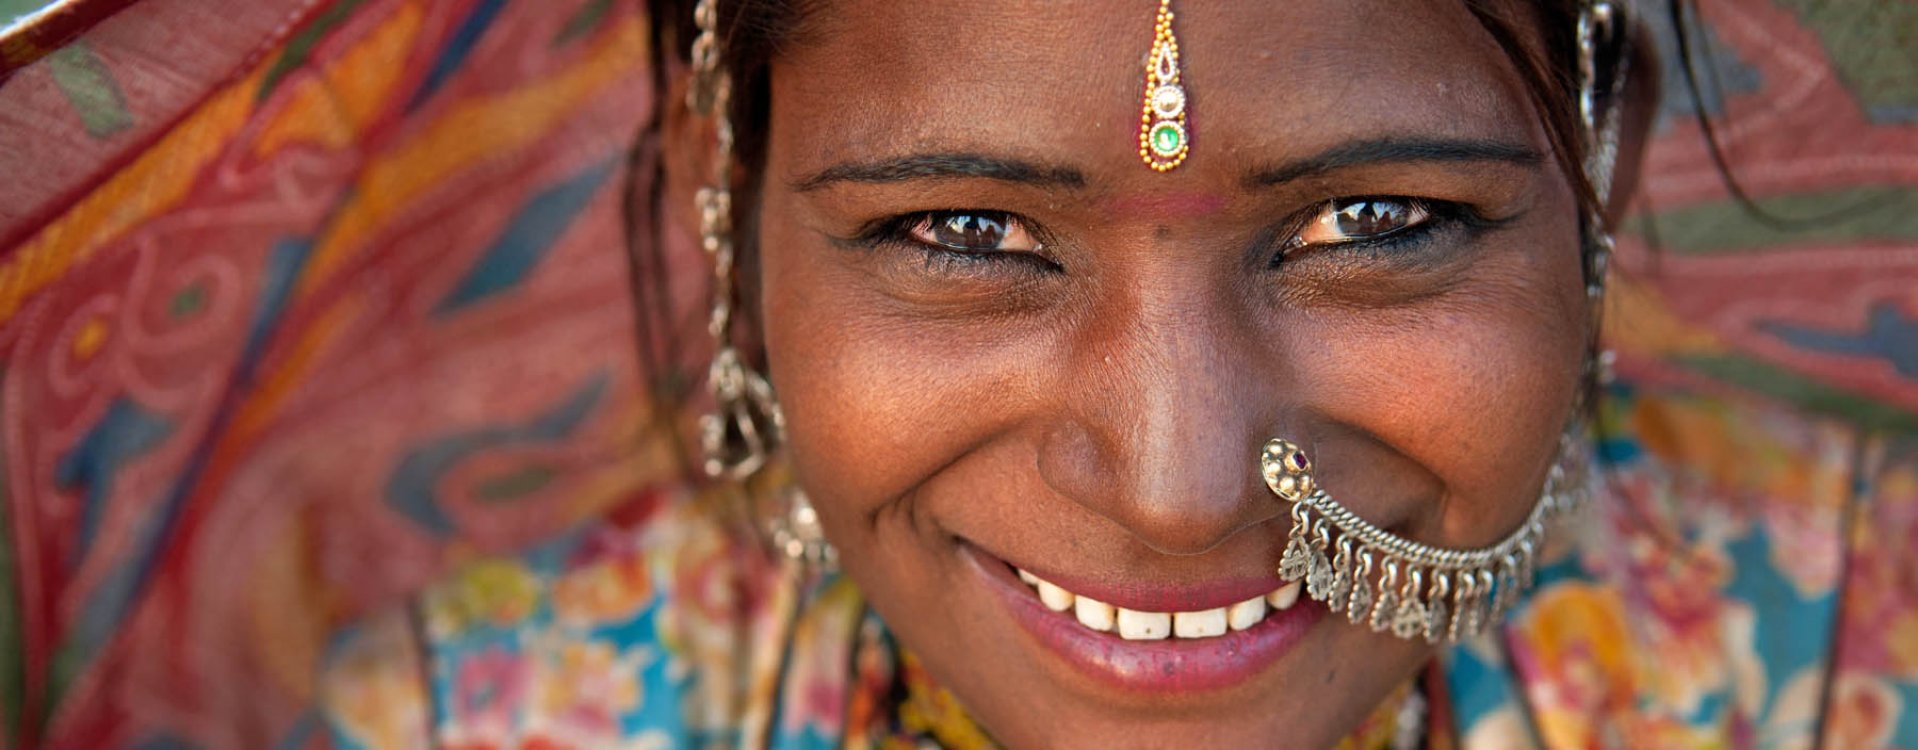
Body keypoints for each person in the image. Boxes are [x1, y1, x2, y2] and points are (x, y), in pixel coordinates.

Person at [311, 1, 1913, 748]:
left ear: (1600, 165)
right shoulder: (466, 727)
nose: (1175, 483)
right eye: (961, 229)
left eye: (1377, 220)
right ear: (719, 193)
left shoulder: (1866, 640)